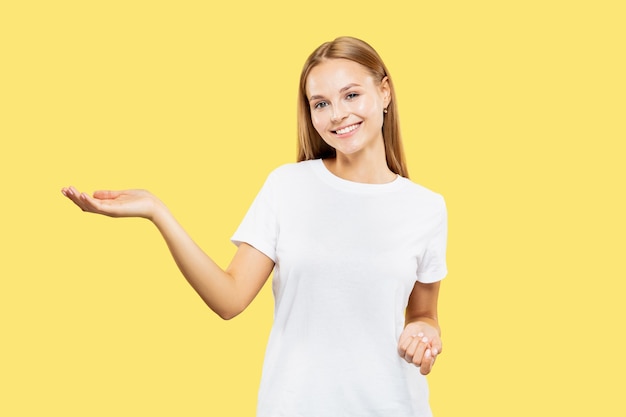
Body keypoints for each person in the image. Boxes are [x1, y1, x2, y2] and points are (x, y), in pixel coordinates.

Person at [62, 36, 448, 417]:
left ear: (384, 93)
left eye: (351, 95)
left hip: (393, 406)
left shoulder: (426, 208)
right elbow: (229, 300)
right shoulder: (288, 186)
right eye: (321, 103)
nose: (336, 115)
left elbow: (423, 313)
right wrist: (157, 212)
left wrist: (426, 331)